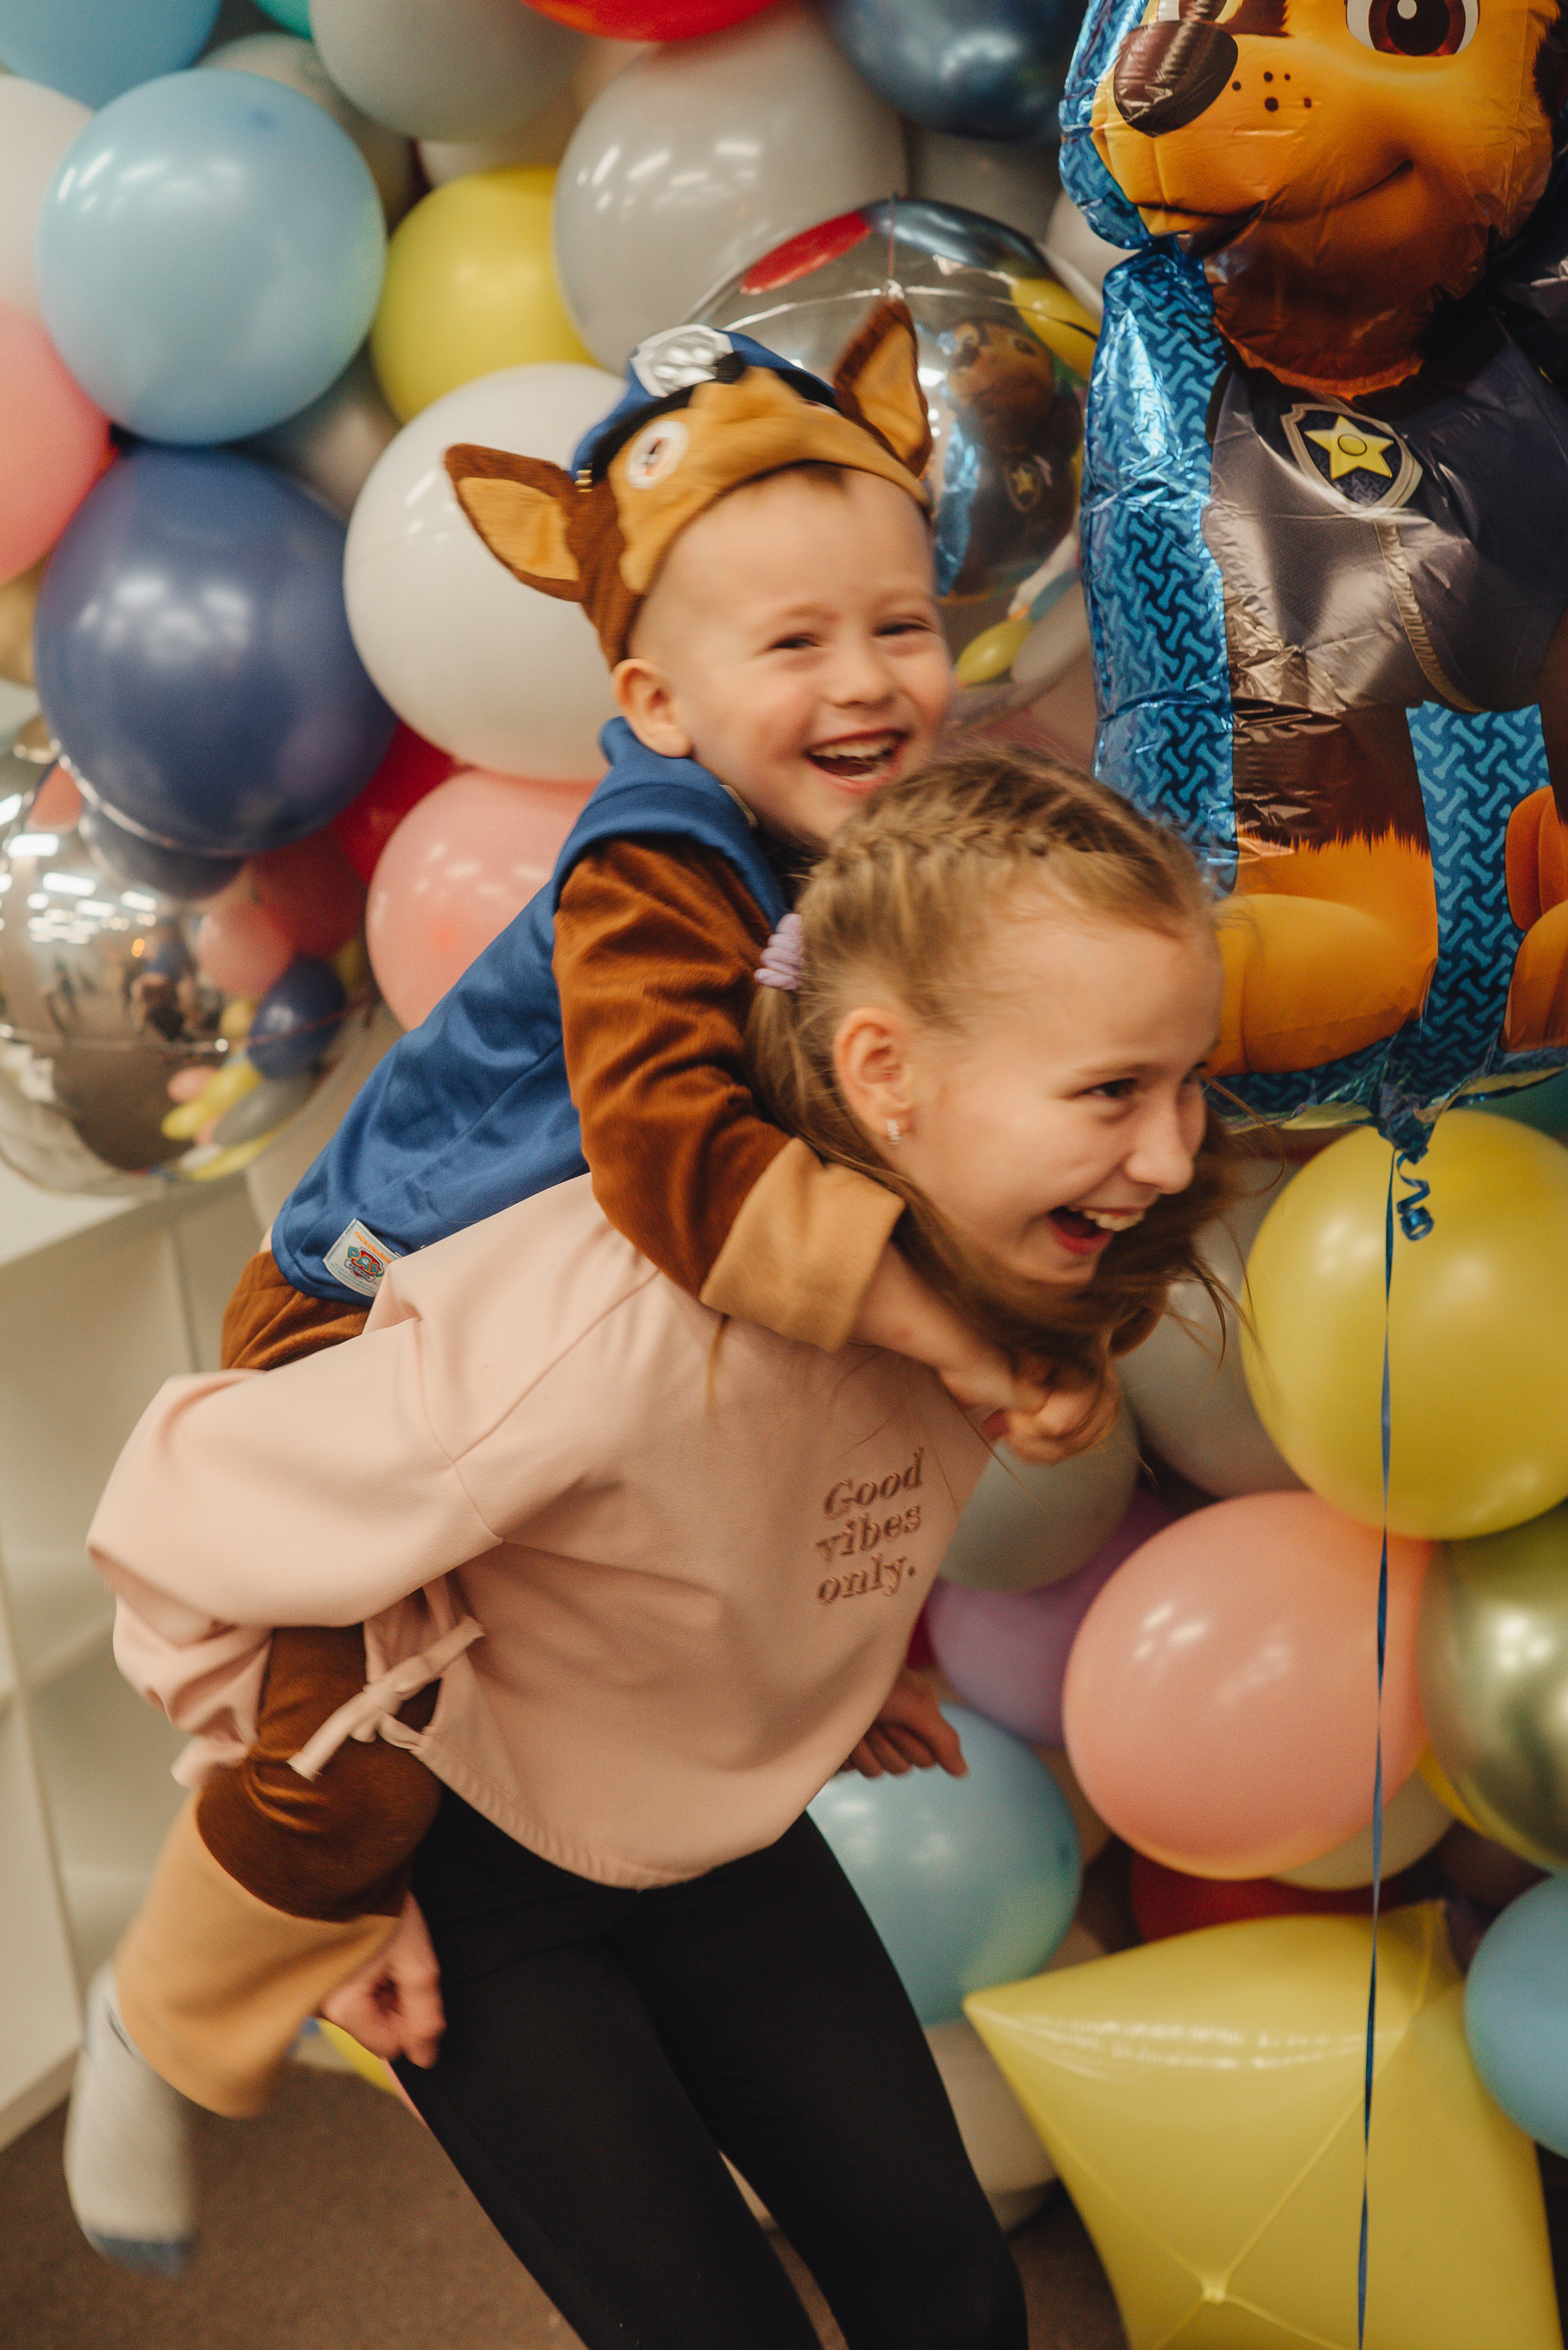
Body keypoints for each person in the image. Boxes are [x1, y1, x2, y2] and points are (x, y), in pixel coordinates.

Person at [64, 299, 1107, 2275]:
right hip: (356, 1330)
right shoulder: (660, 858)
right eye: (789, 645)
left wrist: (848, 1624)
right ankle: (168, 2019)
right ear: (652, 696)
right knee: (337, 1785)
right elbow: (674, 1168)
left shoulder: (876, 873)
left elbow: (758, 1374)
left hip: (554, 1417)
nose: (868, 681)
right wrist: (964, 1336)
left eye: (899, 626)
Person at [86, 746, 1233, 2350]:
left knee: (954, 2295)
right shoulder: (612, 1326)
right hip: (473, 1862)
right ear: (884, 1071)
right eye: (1112, 1093)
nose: (1173, 1154)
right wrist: (313, 1847)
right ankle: (153, 2019)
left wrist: (820, 1679)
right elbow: (179, 1506)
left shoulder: (1002, 1281)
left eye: (1187, 1083)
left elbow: (736, 1515)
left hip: (709, 1835)